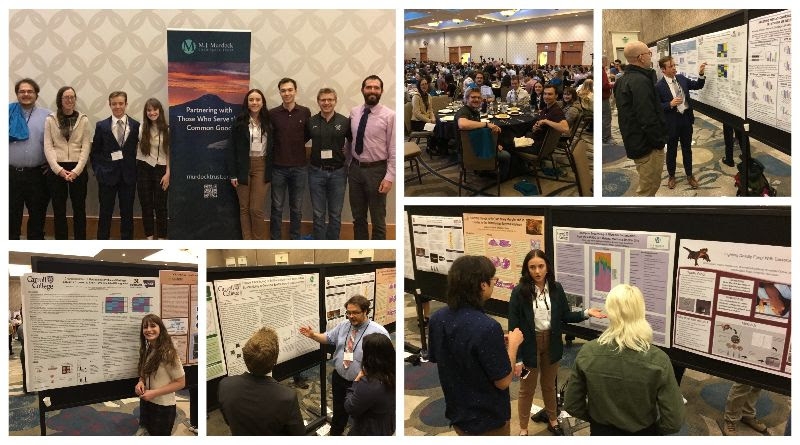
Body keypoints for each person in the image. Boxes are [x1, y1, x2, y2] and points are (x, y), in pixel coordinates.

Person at [563, 284, 685, 435]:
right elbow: (674, 421)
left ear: (610, 312)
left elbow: (572, 404)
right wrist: (652, 431)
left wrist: (597, 421)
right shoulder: (659, 360)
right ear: (641, 311)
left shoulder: (587, 353)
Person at [509, 249, 605, 436]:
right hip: (529, 344)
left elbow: (565, 316)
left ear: (547, 267)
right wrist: (518, 358)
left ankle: (553, 420)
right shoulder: (519, 292)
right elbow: (514, 327)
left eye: (541, 266)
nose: (537, 271)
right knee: (526, 389)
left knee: (549, 385)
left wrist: (586, 313)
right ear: (527, 270)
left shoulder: (556, 288)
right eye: (532, 267)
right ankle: (523, 429)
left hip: (551, 342)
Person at [428, 255, 524, 435]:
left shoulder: (436, 319)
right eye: (493, 279)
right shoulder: (488, 327)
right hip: (487, 420)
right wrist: (513, 346)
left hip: (457, 412)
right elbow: (503, 381)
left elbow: (440, 355)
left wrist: (493, 345)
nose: (494, 283)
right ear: (482, 285)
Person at [299, 295, 390, 436]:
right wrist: (312, 335)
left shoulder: (379, 332)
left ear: (366, 311)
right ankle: (336, 432)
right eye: (348, 312)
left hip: (361, 383)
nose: (351, 316)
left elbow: (386, 360)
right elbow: (328, 338)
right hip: (339, 377)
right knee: (339, 410)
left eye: (355, 313)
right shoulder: (344, 325)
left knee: (359, 415)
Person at [218, 327, 304, 435]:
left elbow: (228, 420)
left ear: (245, 357)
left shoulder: (226, 385)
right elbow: (298, 434)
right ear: (275, 360)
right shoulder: (287, 397)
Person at [614, 41, 667, 197]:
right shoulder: (640, 82)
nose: (651, 57)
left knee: (647, 186)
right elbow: (647, 118)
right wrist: (659, 141)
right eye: (648, 54)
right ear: (641, 58)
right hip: (647, 146)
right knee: (649, 188)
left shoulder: (622, 80)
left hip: (635, 140)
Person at [347, 75, 395, 240]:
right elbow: (350, 141)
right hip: (355, 170)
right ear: (362, 90)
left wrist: (389, 177)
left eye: (376, 87)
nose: (372, 90)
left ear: (381, 91)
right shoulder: (354, 112)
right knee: (358, 218)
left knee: (378, 219)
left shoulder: (390, 115)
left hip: (377, 171)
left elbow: (394, 148)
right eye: (369, 87)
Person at [91, 91, 140, 239]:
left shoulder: (136, 125)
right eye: (114, 104)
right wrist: (99, 172)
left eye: (120, 103)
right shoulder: (101, 126)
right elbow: (95, 153)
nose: (117, 106)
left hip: (128, 178)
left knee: (127, 213)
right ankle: (102, 241)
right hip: (107, 177)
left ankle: (127, 242)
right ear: (110, 104)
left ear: (126, 104)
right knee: (105, 213)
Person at [43, 86, 90, 239]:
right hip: (57, 169)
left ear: (75, 99)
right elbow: (48, 146)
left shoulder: (83, 119)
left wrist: (77, 170)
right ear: (60, 100)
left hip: (78, 168)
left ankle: (80, 240)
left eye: (72, 97)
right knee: (59, 209)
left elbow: (86, 146)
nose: (69, 100)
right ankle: (61, 240)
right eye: (66, 97)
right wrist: (58, 170)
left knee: (79, 208)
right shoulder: (50, 119)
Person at [269, 78, 311, 240]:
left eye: (290, 90)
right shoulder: (272, 114)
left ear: (295, 91)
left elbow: (307, 135)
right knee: (277, 207)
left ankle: (295, 239)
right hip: (278, 168)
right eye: (283, 90)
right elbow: (271, 138)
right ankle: (275, 240)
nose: (287, 93)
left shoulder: (305, 112)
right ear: (279, 92)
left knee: (296, 208)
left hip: (299, 167)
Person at [656, 56, 707, 189]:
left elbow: (698, 85)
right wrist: (670, 104)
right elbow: (656, 107)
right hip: (671, 123)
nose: (674, 68)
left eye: (674, 65)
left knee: (687, 149)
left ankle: (689, 175)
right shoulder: (658, 86)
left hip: (686, 120)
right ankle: (672, 176)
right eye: (671, 66)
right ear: (663, 69)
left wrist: (701, 74)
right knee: (671, 151)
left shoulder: (682, 79)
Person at [228, 89, 272, 240]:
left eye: (258, 99)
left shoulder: (269, 122)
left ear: (262, 102)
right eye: (251, 100)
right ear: (247, 103)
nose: (254, 103)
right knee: (244, 208)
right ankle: (247, 241)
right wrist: (233, 173)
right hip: (242, 166)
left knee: (256, 209)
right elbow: (231, 149)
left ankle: (259, 242)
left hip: (262, 165)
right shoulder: (239, 122)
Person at [9, 78, 51, 240]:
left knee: (37, 215)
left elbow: (55, 143)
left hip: (37, 175)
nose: (26, 94)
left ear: (36, 94)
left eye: (30, 91)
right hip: (10, 175)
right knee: (11, 217)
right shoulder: (6, 113)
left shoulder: (47, 116)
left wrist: (52, 163)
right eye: (22, 91)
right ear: (17, 94)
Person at [307, 87, 350, 240]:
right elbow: (299, 141)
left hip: (338, 173)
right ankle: (319, 244)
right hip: (316, 172)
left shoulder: (344, 121)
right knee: (318, 214)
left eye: (330, 99)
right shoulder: (310, 121)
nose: (326, 103)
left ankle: (333, 243)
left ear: (335, 101)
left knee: (335, 214)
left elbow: (352, 144)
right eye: (323, 100)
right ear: (318, 102)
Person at [135, 314, 185, 436]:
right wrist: (141, 381)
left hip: (162, 407)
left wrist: (154, 393)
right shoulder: (148, 349)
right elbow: (144, 372)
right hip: (147, 401)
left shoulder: (168, 353)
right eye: (145, 327)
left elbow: (181, 383)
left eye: (153, 326)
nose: (148, 330)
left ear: (160, 328)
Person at [344, 333, 396, 435]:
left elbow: (350, 407)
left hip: (370, 430)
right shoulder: (393, 371)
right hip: (387, 422)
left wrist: (356, 382)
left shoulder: (370, 384)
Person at [456, 87, 510, 181]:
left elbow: (478, 132)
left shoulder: (474, 112)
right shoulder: (464, 111)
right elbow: (462, 124)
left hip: (474, 145)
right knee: (506, 155)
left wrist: (493, 143)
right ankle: (501, 179)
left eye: (478, 97)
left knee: (502, 144)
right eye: (473, 97)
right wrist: (486, 124)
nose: (476, 99)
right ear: (467, 98)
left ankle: (484, 170)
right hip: (469, 151)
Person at [136, 98, 170, 240]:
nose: (152, 112)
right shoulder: (141, 127)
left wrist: (168, 173)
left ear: (160, 111)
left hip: (161, 169)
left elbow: (169, 153)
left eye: (155, 109)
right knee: (146, 205)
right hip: (143, 168)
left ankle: (162, 238)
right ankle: (149, 238)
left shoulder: (167, 129)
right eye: (149, 110)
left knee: (160, 206)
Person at [602, 56, 616, 144]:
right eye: (606, 60)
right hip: (603, 98)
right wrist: (613, 84)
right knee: (606, 117)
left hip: (602, 97)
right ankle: (606, 137)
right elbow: (604, 86)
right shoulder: (601, 70)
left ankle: (604, 136)